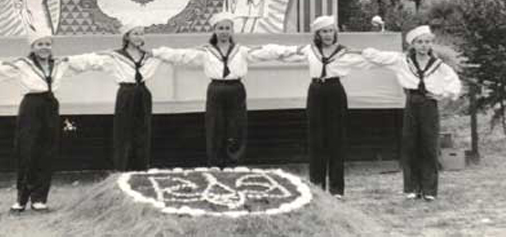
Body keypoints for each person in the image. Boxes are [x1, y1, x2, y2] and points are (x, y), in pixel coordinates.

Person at [0, 26, 105, 212]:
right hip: (31, 107)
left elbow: (86, 62)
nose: (44, 47)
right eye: (40, 44)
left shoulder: (59, 63)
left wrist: (109, 55)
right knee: (27, 151)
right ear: (33, 46)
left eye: (47, 44)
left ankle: (39, 198)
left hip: (50, 106)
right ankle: (21, 199)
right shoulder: (22, 64)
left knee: (47, 151)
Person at [151, 12, 295, 168]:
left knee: (237, 127)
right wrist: (156, 52)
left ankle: (234, 163)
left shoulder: (241, 51)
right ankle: (215, 163)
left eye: (227, 28)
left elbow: (265, 52)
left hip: (236, 89)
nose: (224, 31)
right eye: (220, 28)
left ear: (232, 30)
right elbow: (183, 55)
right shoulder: (207, 51)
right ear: (214, 30)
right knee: (215, 127)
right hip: (216, 89)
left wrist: (290, 50)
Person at [272, 15, 373, 199]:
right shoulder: (310, 50)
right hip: (316, 91)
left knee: (336, 139)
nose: (328, 35)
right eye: (324, 31)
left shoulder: (343, 52)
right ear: (317, 34)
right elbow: (286, 54)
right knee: (316, 139)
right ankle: (317, 186)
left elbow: (367, 60)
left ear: (335, 32)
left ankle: (336, 190)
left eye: (330, 31)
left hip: (335, 92)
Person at [362, 25, 461, 202]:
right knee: (410, 145)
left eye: (427, 42)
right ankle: (411, 188)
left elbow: (454, 83)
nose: (424, 45)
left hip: (429, 105)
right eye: (420, 42)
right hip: (411, 103)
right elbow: (377, 57)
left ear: (431, 44)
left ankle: (429, 190)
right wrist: (364, 50)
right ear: (413, 44)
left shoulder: (438, 65)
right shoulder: (402, 61)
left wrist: (442, 94)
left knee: (429, 145)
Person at [82, 22, 163, 171]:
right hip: (126, 93)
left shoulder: (149, 55)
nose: (140, 37)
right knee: (124, 131)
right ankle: (122, 167)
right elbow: (91, 61)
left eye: (142, 33)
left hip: (143, 93)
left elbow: (175, 55)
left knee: (143, 131)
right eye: (136, 33)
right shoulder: (115, 56)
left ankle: (141, 167)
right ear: (127, 36)